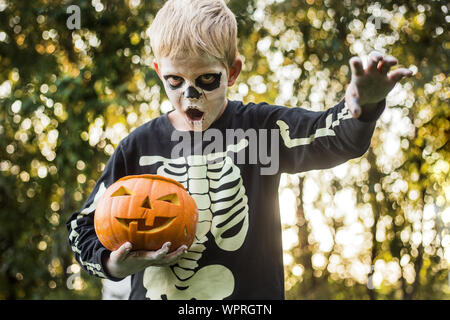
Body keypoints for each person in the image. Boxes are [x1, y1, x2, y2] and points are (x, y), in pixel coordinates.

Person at [66, 0, 412, 300]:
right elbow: (82, 228)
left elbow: (332, 137)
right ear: (159, 71)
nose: (190, 97)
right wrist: (113, 263)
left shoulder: (259, 129)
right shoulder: (138, 147)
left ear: (232, 72)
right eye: (175, 81)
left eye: (206, 80)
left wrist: (362, 106)